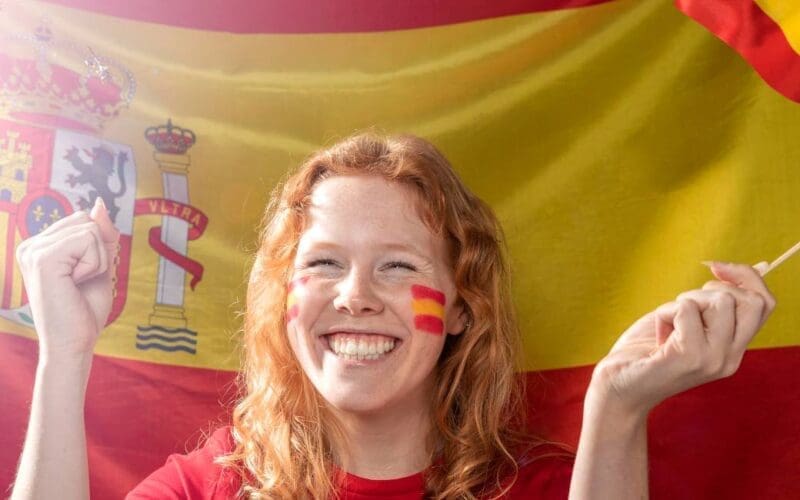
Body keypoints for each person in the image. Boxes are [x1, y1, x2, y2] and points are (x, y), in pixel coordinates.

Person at [10, 132, 776, 499]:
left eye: (399, 266)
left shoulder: (542, 488)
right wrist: (65, 355)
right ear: (284, 300)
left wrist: (616, 410)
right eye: (323, 263)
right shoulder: (209, 486)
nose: (355, 295)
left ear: (464, 308)